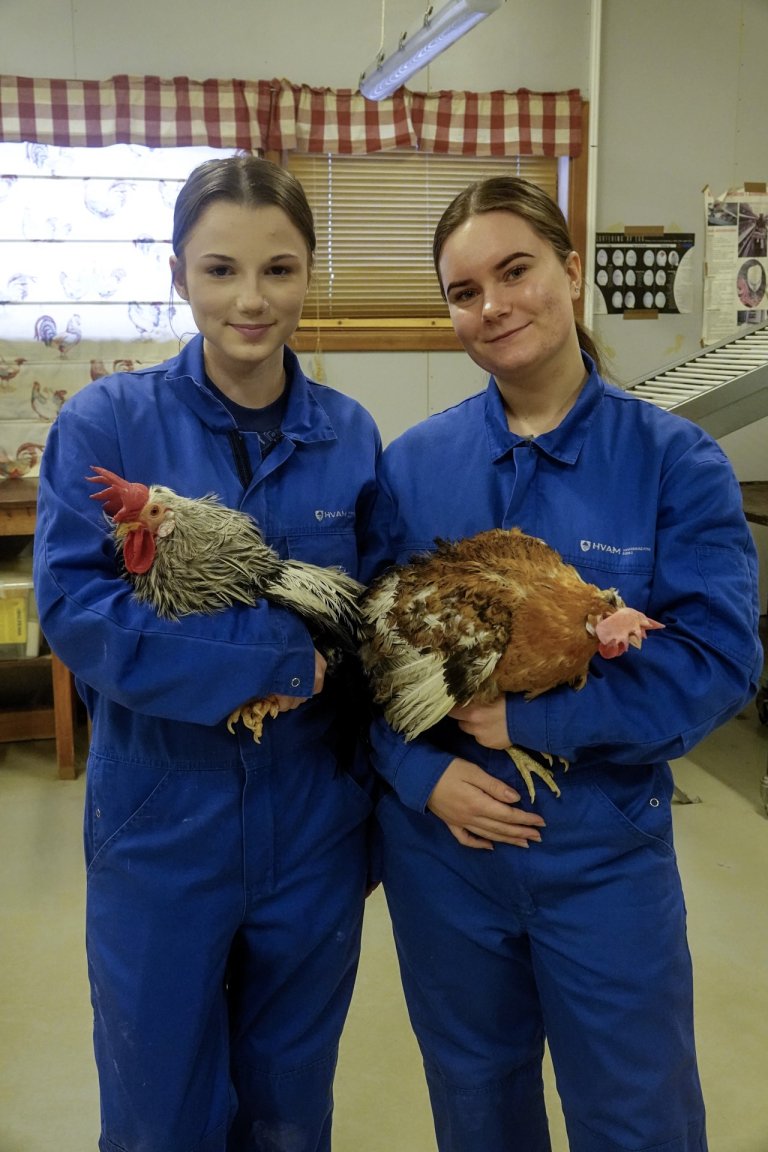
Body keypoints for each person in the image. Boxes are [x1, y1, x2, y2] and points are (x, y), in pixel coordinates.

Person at [361, 177, 763, 1152]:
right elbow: (366, 658)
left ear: (570, 270)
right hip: (446, 859)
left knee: (636, 1117)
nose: (492, 305)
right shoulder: (414, 468)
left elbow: (715, 662)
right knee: (476, 1106)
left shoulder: (675, 463)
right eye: (464, 291)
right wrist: (420, 775)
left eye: (515, 270)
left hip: (601, 851)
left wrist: (529, 723)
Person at [33, 155, 380, 1152]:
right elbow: (82, 613)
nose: (251, 299)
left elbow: (372, 624)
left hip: (312, 825)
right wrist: (270, 662)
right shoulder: (110, 424)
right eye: (221, 269)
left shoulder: (349, 437)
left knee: (288, 1111)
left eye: (279, 269)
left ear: (309, 273)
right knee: (159, 1112)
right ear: (179, 273)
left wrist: (369, 796)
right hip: (160, 824)